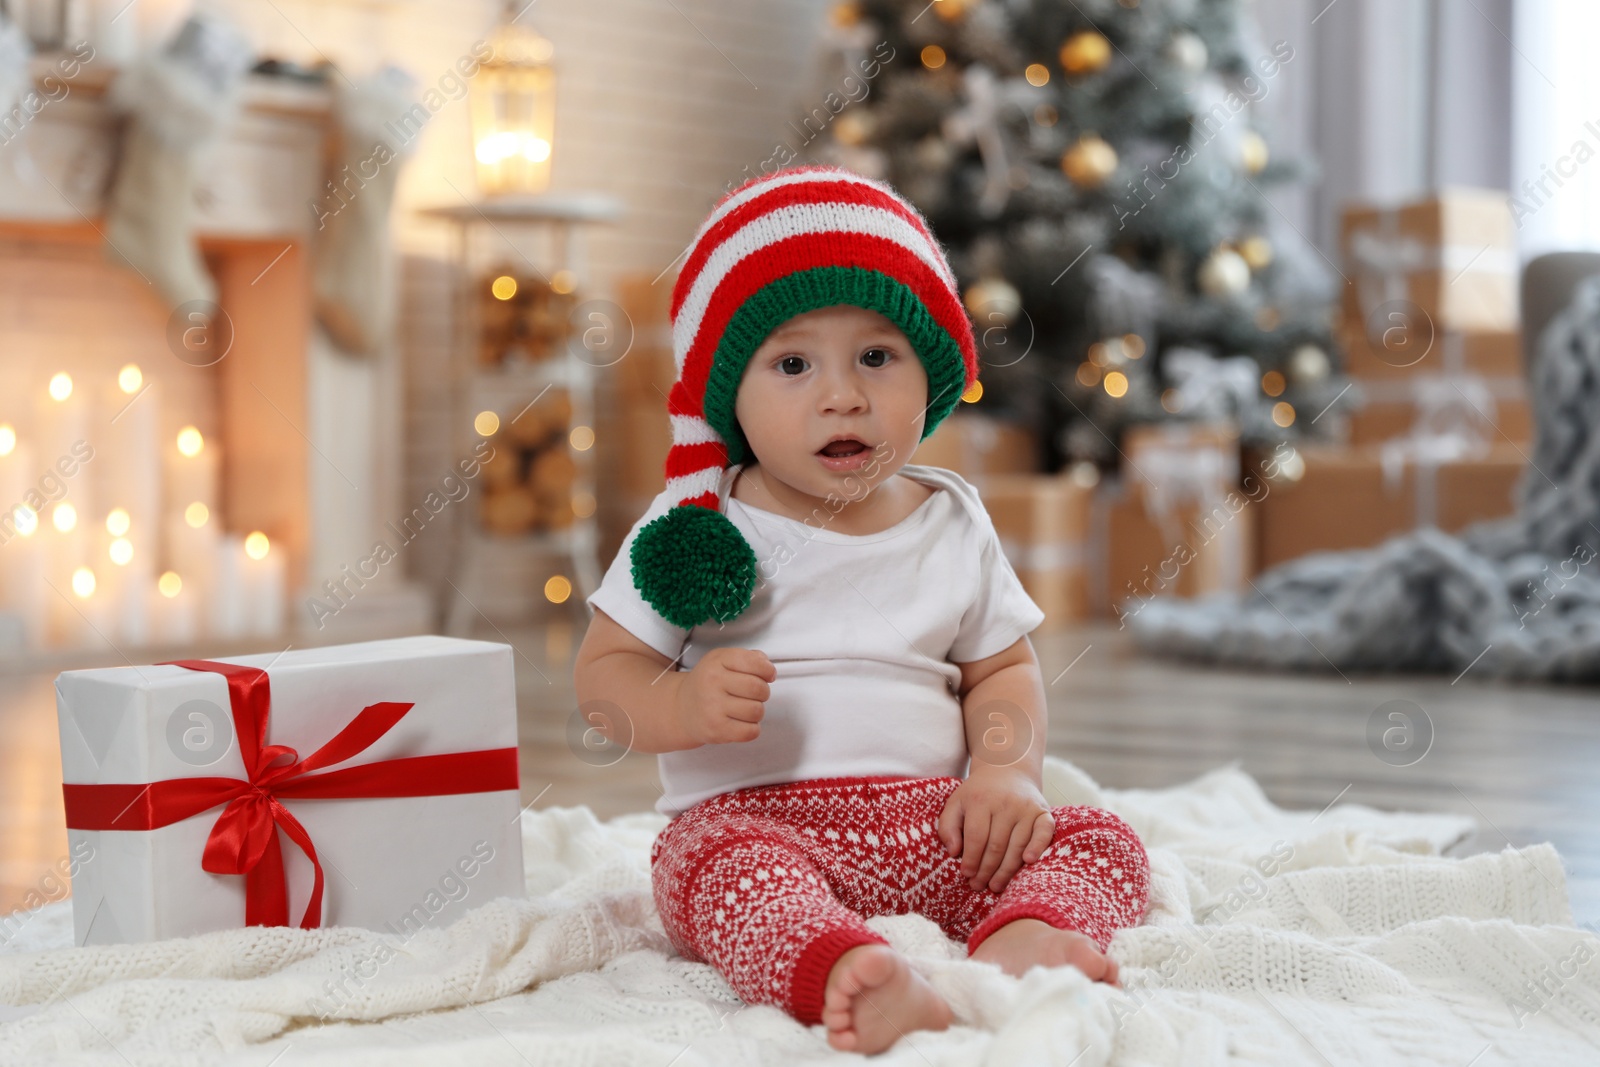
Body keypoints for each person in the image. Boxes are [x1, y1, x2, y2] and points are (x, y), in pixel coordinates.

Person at [575, 165, 1149, 1055]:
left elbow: (1003, 669)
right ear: (731, 392)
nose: (842, 394)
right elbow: (605, 678)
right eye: (794, 363)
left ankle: (1019, 935)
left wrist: (1003, 775)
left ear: (935, 375)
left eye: (877, 357)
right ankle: (840, 967)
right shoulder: (700, 524)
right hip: (760, 822)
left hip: (936, 823)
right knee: (713, 874)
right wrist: (681, 705)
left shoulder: (951, 518)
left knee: (1098, 836)